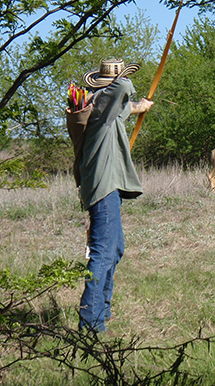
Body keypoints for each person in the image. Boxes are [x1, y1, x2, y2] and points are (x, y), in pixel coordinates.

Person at [77, 58, 153, 333]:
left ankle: (102, 311)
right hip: (103, 187)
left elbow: (124, 106)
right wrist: (121, 76)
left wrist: (140, 106)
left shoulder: (104, 107)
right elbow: (123, 89)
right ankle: (91, 324)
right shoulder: (101, 103)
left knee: (114, 248)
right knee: (103, 253)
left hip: (106, 187)